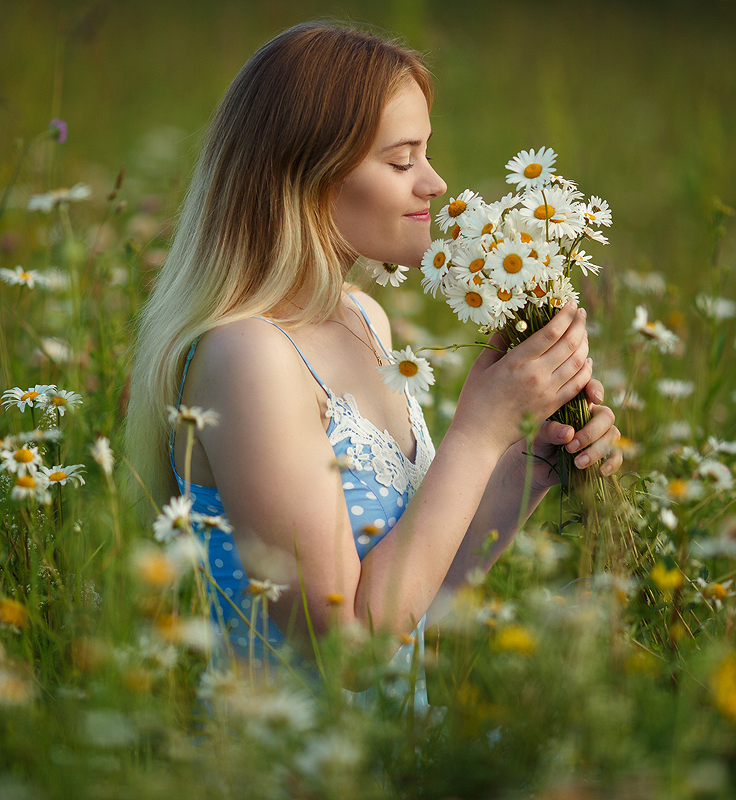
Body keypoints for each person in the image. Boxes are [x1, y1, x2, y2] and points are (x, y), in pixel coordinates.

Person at [126, 21, 622, 701]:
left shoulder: (364, 317)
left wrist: (532, 459)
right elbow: (345, 650)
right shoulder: (248, 355)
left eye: (427, 153)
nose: (435, 182)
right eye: (401, 160)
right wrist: (476, 431)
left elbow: (417, 599)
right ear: (307, 175)